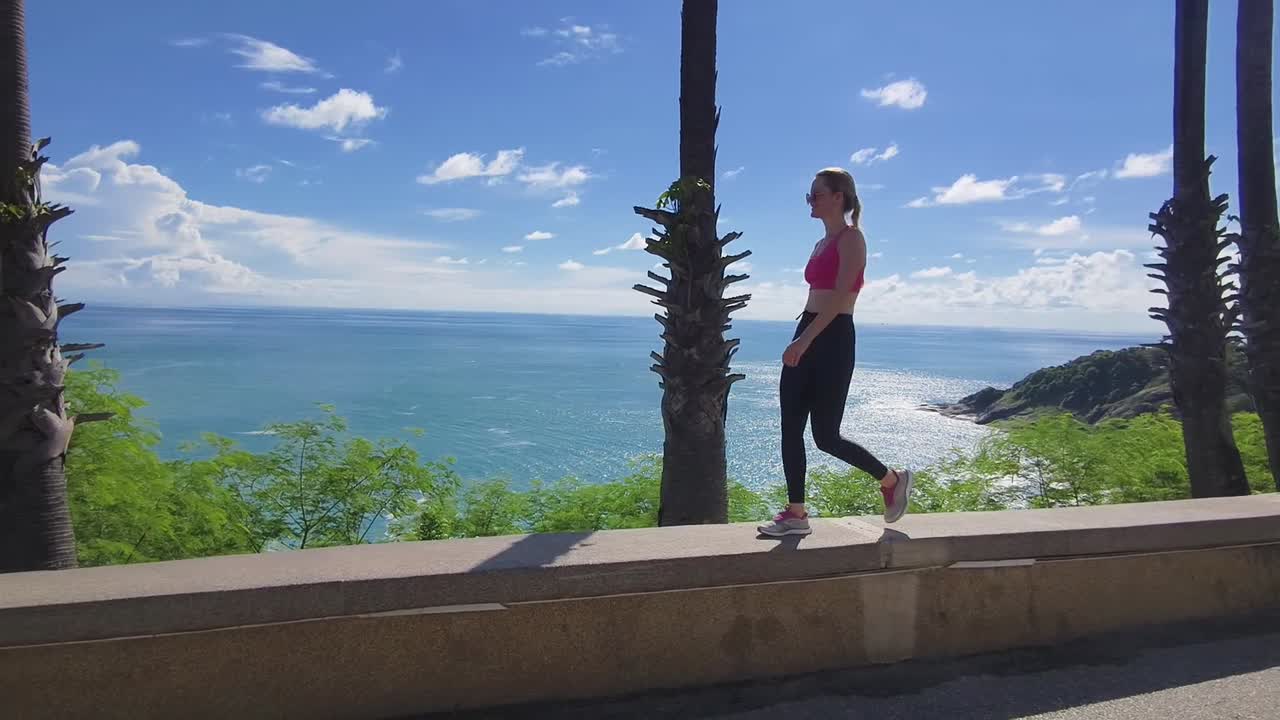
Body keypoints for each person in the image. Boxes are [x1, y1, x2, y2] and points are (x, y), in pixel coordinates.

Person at [758, 167, 913, 537]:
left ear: (838, 196)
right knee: (789, 427)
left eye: (817, 194)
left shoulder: (852, 238)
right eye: (809, 195)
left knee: (826, 436)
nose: (811, 201)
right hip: (808, 329)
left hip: (832, 338)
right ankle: (796, 513)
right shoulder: (821, 243)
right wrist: (802, 335)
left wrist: (805, 340)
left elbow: (843, 296)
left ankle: (891, 480)